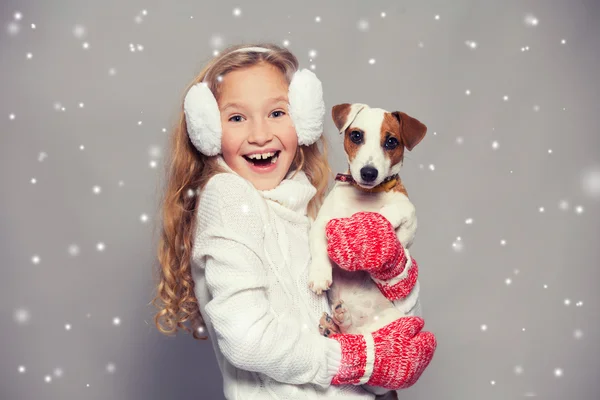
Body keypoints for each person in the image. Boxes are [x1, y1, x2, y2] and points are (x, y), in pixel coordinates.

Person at [152, 42, 437, 399]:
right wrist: (358, 359)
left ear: (302, 119)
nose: (259, 134)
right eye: (237, 118)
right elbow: (247, 338)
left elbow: (380, 324)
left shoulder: (305, 206)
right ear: (207, 130)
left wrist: (393, 270)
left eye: (277, 113)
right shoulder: (229, 197)